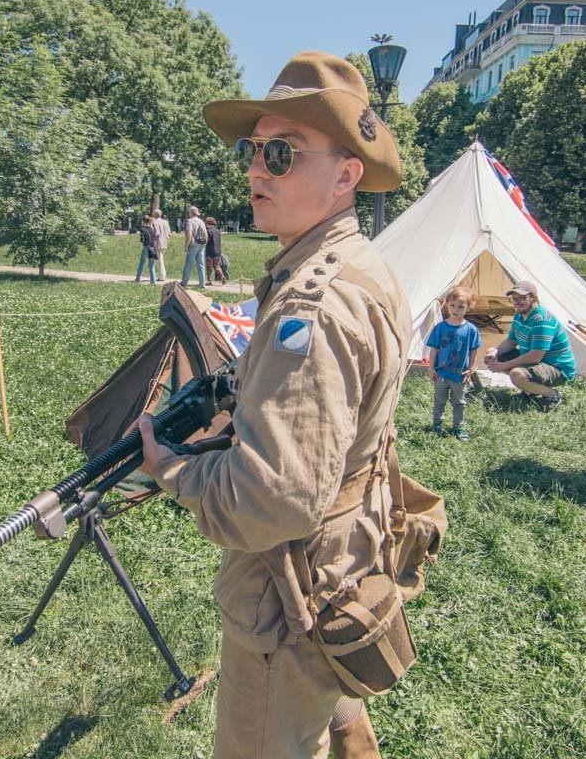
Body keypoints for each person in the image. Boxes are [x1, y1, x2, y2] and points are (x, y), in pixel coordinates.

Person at [137, 50, 411, 759]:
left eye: (281, 152)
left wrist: (173, 468)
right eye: (254, 151)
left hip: (290, 592)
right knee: (324, 716)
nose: (257, 168)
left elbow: (273, 500)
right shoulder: (357, 263)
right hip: (343, 557)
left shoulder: (314, 302)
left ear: (347, 173)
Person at [483, 280, 575, 412]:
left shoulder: (542, 320)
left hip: (557, 368)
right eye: (514, 299)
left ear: (534, 298)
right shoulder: (519, 316)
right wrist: (494, 352)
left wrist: (502, 366)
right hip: (539, 363)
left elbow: (535, 357)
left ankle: (552, 395)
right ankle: (531, 390)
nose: (517, 302)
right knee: (494, 353)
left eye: (522, 298)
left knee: (517, 374)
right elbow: (511, 341)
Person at [428, 286, 482, 441]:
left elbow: (474, 351)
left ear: (468, 307)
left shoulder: (471, 329)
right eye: (452, 305)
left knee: (459, 402)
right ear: (447, 305)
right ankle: (437, 423)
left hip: (459, 374)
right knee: (439, 400)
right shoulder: (440, 327)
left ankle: (459, 426)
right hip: (441, 373)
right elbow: (434, 349)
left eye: (460, 306)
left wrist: (471, 369)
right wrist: (431, 367)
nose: (455, 310)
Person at [180, 205, 208, 288]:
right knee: (201, 264)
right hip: (201, 243)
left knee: (188, 264)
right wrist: (205, 242)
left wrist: (186, 245)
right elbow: (206, 234)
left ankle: (184, 282)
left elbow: (189, 233)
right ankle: (202, 283)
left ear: (191, 213)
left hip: (193, 244)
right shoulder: (201, 221)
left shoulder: (190, 221)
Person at [134, 214, 159, 284]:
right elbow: (154, 239)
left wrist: (144, 244)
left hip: (146, 248)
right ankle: (153, 282)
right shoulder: (151, 229)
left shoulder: (142, 229)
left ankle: (137, 279)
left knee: (141, 264)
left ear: (143, 221)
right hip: (152, 248)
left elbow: (142, 239)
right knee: (151, 265)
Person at [204, 216, 228, 284]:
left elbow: (206, 240)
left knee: (209, 266)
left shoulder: (208, 231)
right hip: (218, 251)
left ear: (208, 222)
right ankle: (222, 276)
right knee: (216, 266)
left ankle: (209, 281)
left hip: (210, 251)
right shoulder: (217, 230)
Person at [151, 208, 170, 281]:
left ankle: (162, 276)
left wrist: (153, 242)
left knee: (160, 260)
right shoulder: (166, 222)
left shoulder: (155, 223)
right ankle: (163, 274)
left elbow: (156, 234)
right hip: (165, 242)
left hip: (158, 242)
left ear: (155, 215)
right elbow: (169, 233)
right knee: (161, 258)